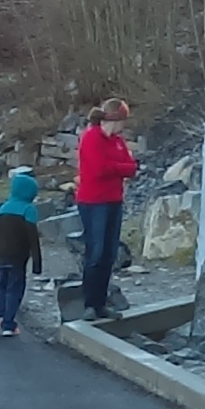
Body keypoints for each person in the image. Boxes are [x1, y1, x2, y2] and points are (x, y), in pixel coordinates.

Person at [72, 98, 138, 316]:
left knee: (109, 254)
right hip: (93, 202)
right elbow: (99, 169)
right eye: (123, 120)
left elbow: (131, 168)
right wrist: (120, 168)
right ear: (116, 119)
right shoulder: (91, 137)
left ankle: (100, 303)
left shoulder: (117, 141)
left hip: (114, 200)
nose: (125, 125)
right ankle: (90, 303)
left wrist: (116, 168)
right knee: (96, 252)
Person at [0, 168, 45, 336]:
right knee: (14, 289)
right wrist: (37, 263)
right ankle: (8, 324)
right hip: (18, 258)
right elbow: (32, 238)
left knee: (0, 285)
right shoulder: (28, 209)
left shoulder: (3, 207)